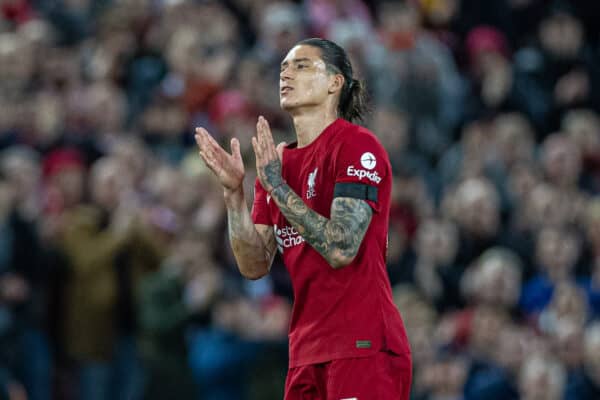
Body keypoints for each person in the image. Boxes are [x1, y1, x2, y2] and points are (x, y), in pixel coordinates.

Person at [195, 37, 411, 399]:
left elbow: (341, 247)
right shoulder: (276, 166)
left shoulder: (356, 146)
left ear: (335, 82)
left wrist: (277, 187)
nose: (286, 74)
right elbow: (253, 264)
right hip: (306, 352)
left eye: (301, 65)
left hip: (363, 344)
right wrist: (234, 194)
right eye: (282, 68)